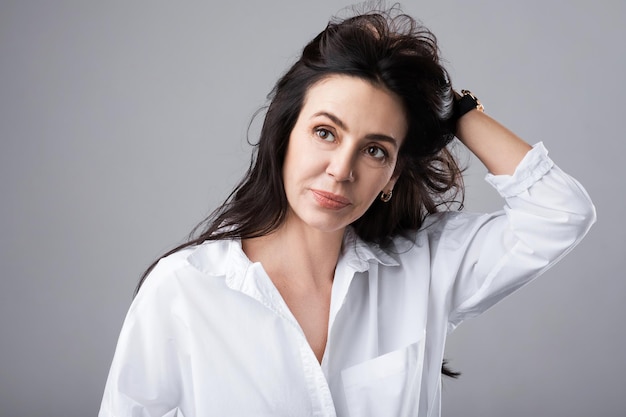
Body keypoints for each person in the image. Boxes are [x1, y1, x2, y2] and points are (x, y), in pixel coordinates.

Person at [99, 7, 596, 417]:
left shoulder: (425, 268)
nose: (341, 170)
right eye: (325, 132)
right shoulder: (186, 288)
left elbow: (561, 213)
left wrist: (460, 111)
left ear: (393, 177)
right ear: (284, 136)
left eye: (376, 150)